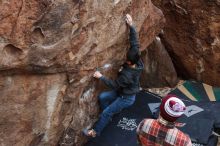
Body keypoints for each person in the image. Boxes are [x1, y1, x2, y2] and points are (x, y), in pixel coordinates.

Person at [83, 14, 144, 137]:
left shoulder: (127, 75)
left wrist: (101, 77)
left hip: (126, 98)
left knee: (106, 112)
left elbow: (114, 84)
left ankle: (95, 132)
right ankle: (111, 114)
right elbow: (135, 42)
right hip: (123, 91)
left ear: (129, 62)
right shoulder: (137, 60)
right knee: (103, 97)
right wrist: (131, 25)